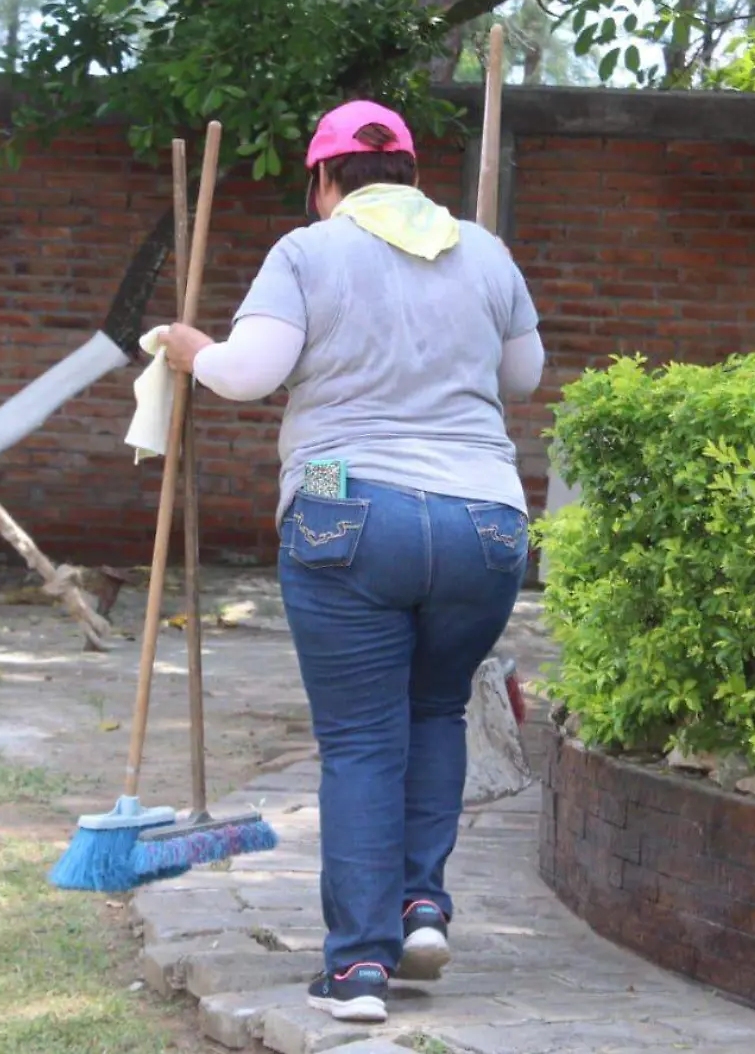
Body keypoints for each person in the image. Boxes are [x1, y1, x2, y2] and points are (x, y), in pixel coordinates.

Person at [155, 99, 544, 1024]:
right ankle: (421, 906)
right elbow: (521, 379)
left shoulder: (307, 251)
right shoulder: (483, 251)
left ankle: (359, 967)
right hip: (485, 517)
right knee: (437, 711)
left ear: (323, 180)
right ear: (412, 173)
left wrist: (189, 347)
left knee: (364, 742)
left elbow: (249, 375)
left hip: (347, 505)